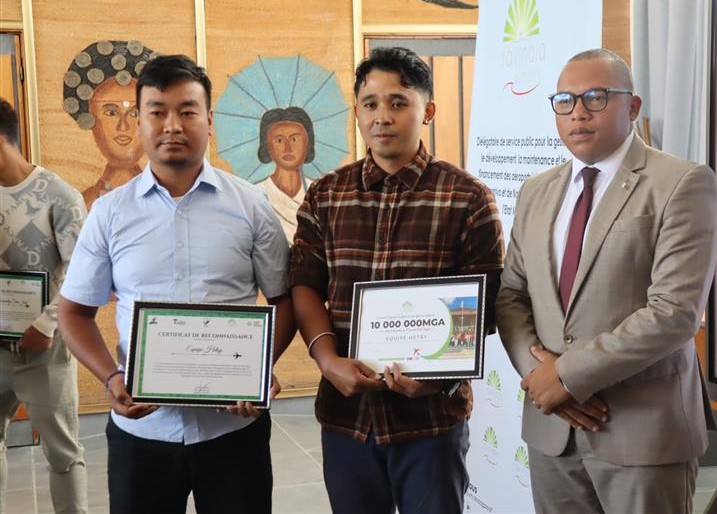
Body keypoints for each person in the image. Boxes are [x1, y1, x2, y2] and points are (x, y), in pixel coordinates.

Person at [57, 55, 295, 514]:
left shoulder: (250, 206)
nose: (172, 124)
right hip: (141, 435)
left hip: (233, 434)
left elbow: (285, 299)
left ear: (209, 120)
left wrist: (261, 368)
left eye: (187, 111)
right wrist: (110, 377)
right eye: (157, 111)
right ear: (143, 120)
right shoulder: (109, 213)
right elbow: (73, 311)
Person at [496, 48, 717, 513]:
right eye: (564, 100)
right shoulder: (536, 191)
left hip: (643, 432)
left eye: (596, 97)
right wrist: (540, 376)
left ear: (633, 108)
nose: (578, 111)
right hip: (551, 430)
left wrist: (568, 376)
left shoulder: (681, 183)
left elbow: (674, 314)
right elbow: (512, 295)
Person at [290, 46, 504, 514]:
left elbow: (485, 305)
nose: (381, 116)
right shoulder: (327, 195)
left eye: (398, 102)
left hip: (429, 420)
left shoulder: (467, 198)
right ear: (357, 113)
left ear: (427, 110)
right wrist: (327, 361)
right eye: (370, 104)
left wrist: (436, 376)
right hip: (347, 417)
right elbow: (304, 283)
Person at [0, 98, 88, 513]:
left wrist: (48, 324)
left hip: (44, 350)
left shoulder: (58, 195)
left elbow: (83, 270)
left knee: (63, 455)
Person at [63, 40, 155, 208]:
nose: (123, 126)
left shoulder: (167, 201)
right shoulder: (83, 207)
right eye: (111, 113)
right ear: (91, 117)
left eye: (135, 113)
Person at [255, 106, 315, 242]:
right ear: (267, 146)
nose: (288, 148)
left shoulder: (318, 192)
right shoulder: (256, 194)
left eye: (294, 139)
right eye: (279, 140)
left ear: (307, 143)